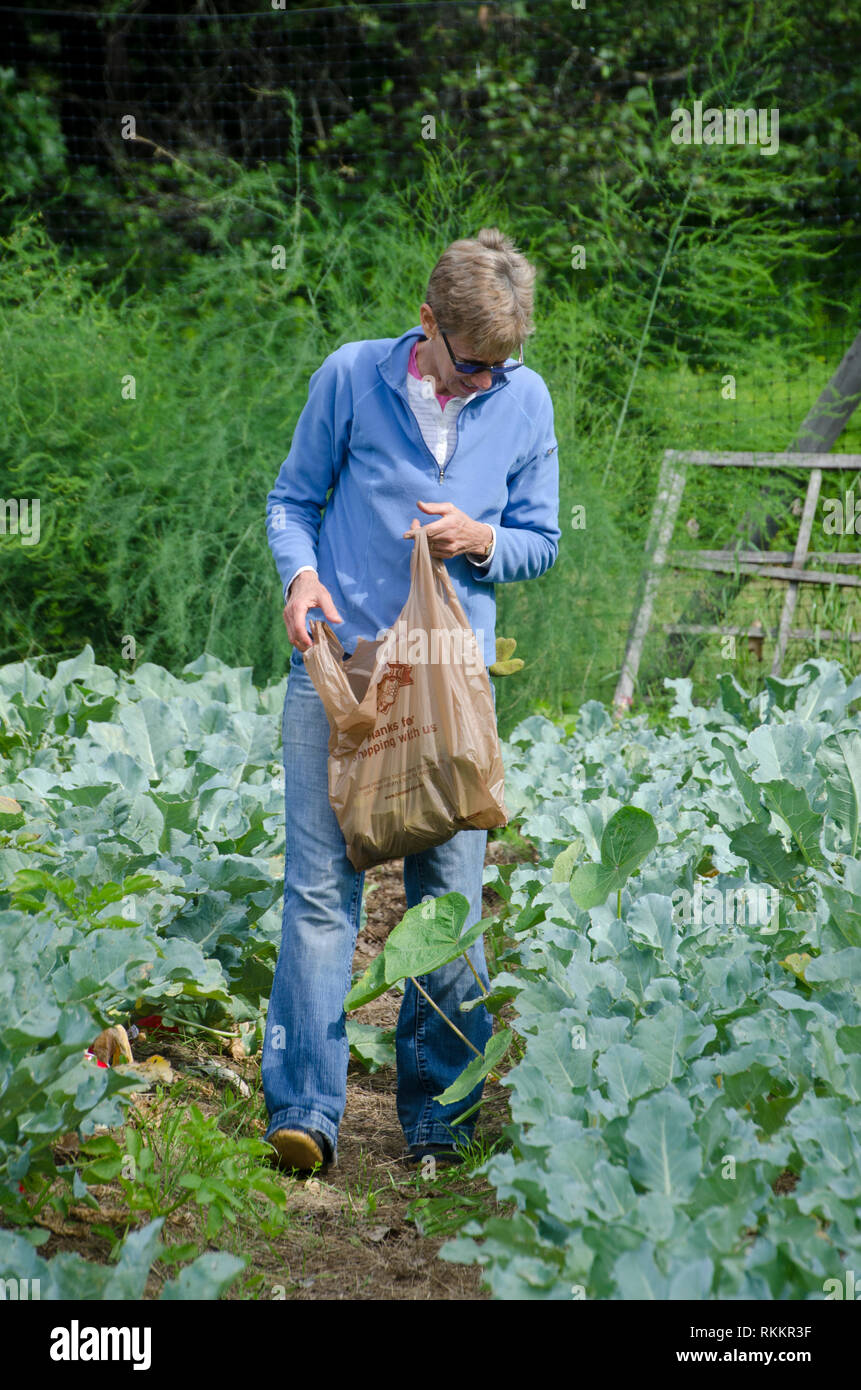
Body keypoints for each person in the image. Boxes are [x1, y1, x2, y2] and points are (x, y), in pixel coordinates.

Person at [262, 226, 560, 1173]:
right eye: (470, 365)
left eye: (500, 368)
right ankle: (305, 1111)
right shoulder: (350, 377)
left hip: (445, 690)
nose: (484, 383)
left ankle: (437, 1122)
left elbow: (541, 540)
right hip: (340, 670)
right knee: (319, 898)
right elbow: (291, 501)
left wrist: (481, 537)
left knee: (448, 901)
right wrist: (301, 577)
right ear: (425, 323)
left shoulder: (523, 399)